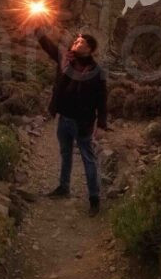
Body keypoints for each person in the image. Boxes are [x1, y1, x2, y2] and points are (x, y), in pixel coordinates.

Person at [35, 27, 108, 216]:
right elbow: (49, 46)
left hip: (83, 122)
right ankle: (64, 187)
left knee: (88, 159)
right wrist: (37, 28)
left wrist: (101, 125)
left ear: (90, 49)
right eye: (76, 40)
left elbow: (102, 100)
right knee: (65, 153)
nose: (76, 42)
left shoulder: (97, 72)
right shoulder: (66, 60)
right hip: (64, 118)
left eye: (81, 42)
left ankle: (94, 199)